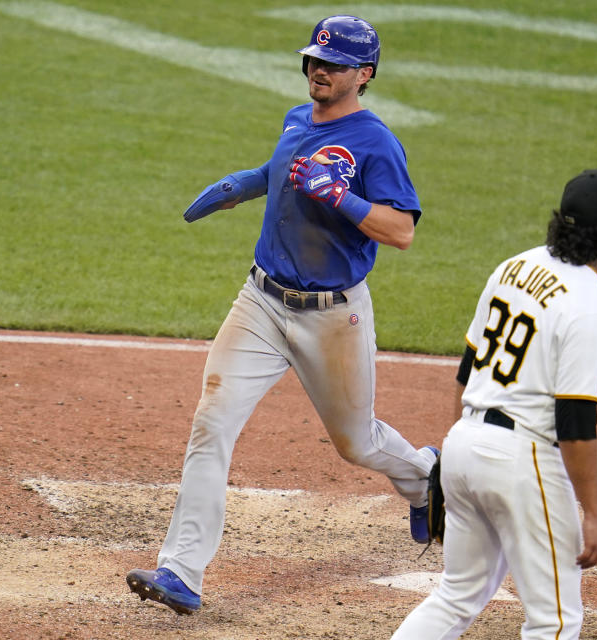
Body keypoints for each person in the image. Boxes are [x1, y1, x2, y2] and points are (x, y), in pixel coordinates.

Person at [125, 15, 438, 615]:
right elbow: (283, 175)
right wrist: (242, 185)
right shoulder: (297, 119)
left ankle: (425, 477)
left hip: (333, 316)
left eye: (336, 64)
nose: (320, 71)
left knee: (357, 442)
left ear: (364, 75)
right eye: (315, 60)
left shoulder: (376, 142)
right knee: (211, 422)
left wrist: (341, 197)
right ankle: (181, 571)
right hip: (262, 303)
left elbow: (400, 231)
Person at [391, 169, 597, 639]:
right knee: (554, 620)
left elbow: (467, 369)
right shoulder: (591, 307)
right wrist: (593, 513)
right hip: (523, 460)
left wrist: (452, 454)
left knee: (456, 595)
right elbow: (574, 422)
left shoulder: (514, 266)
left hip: (465, 442)